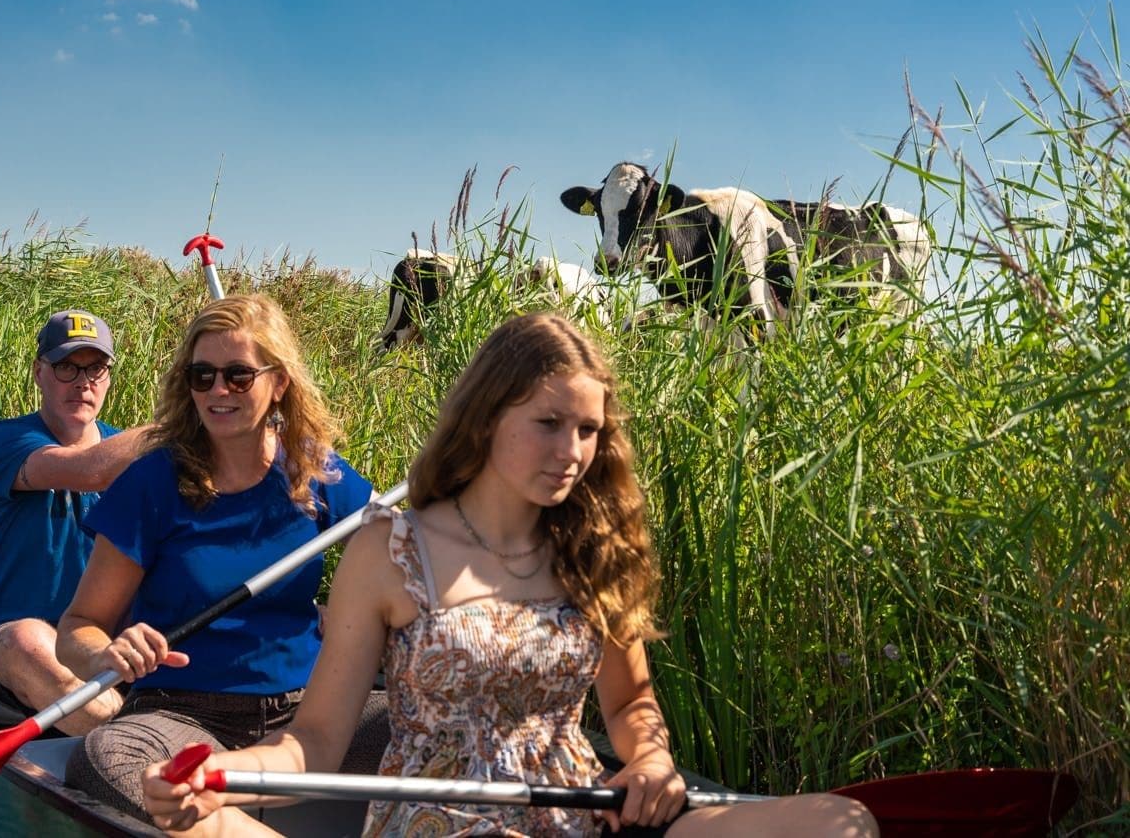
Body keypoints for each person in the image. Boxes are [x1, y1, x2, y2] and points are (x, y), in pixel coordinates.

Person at [140, 312, 879, 837]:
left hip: (582, 812)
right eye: (549, 423)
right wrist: (221, 775)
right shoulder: (389, 550)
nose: (573, 450)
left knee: (841, 821)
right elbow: (317, 743)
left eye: (589, 430)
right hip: (444, 820)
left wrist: (651, 759)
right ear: (489, 416)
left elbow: (631, 707)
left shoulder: (593, 546)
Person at [56, 294, 389, 825]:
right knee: (106, 759)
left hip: (308, 713)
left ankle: (226, 795)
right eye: (202, 375)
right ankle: (226, 798)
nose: (217, 391)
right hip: (180, 716)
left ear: (278, 382)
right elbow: (76, 629)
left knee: (441, 724)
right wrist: (107, 654)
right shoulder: (152, 482)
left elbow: (406, 556)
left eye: (238, 375)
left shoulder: (317, 473)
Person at [0, 308, 155, 735]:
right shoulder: (4, 441)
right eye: (67, 367)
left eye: (96, 368)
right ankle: (135, 742)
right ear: (39, 372)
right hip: (15, 638)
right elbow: (91, 470)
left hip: (104, 642)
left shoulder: (130, 449)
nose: (83, 382)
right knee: (28, 643)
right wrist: (187, 423)